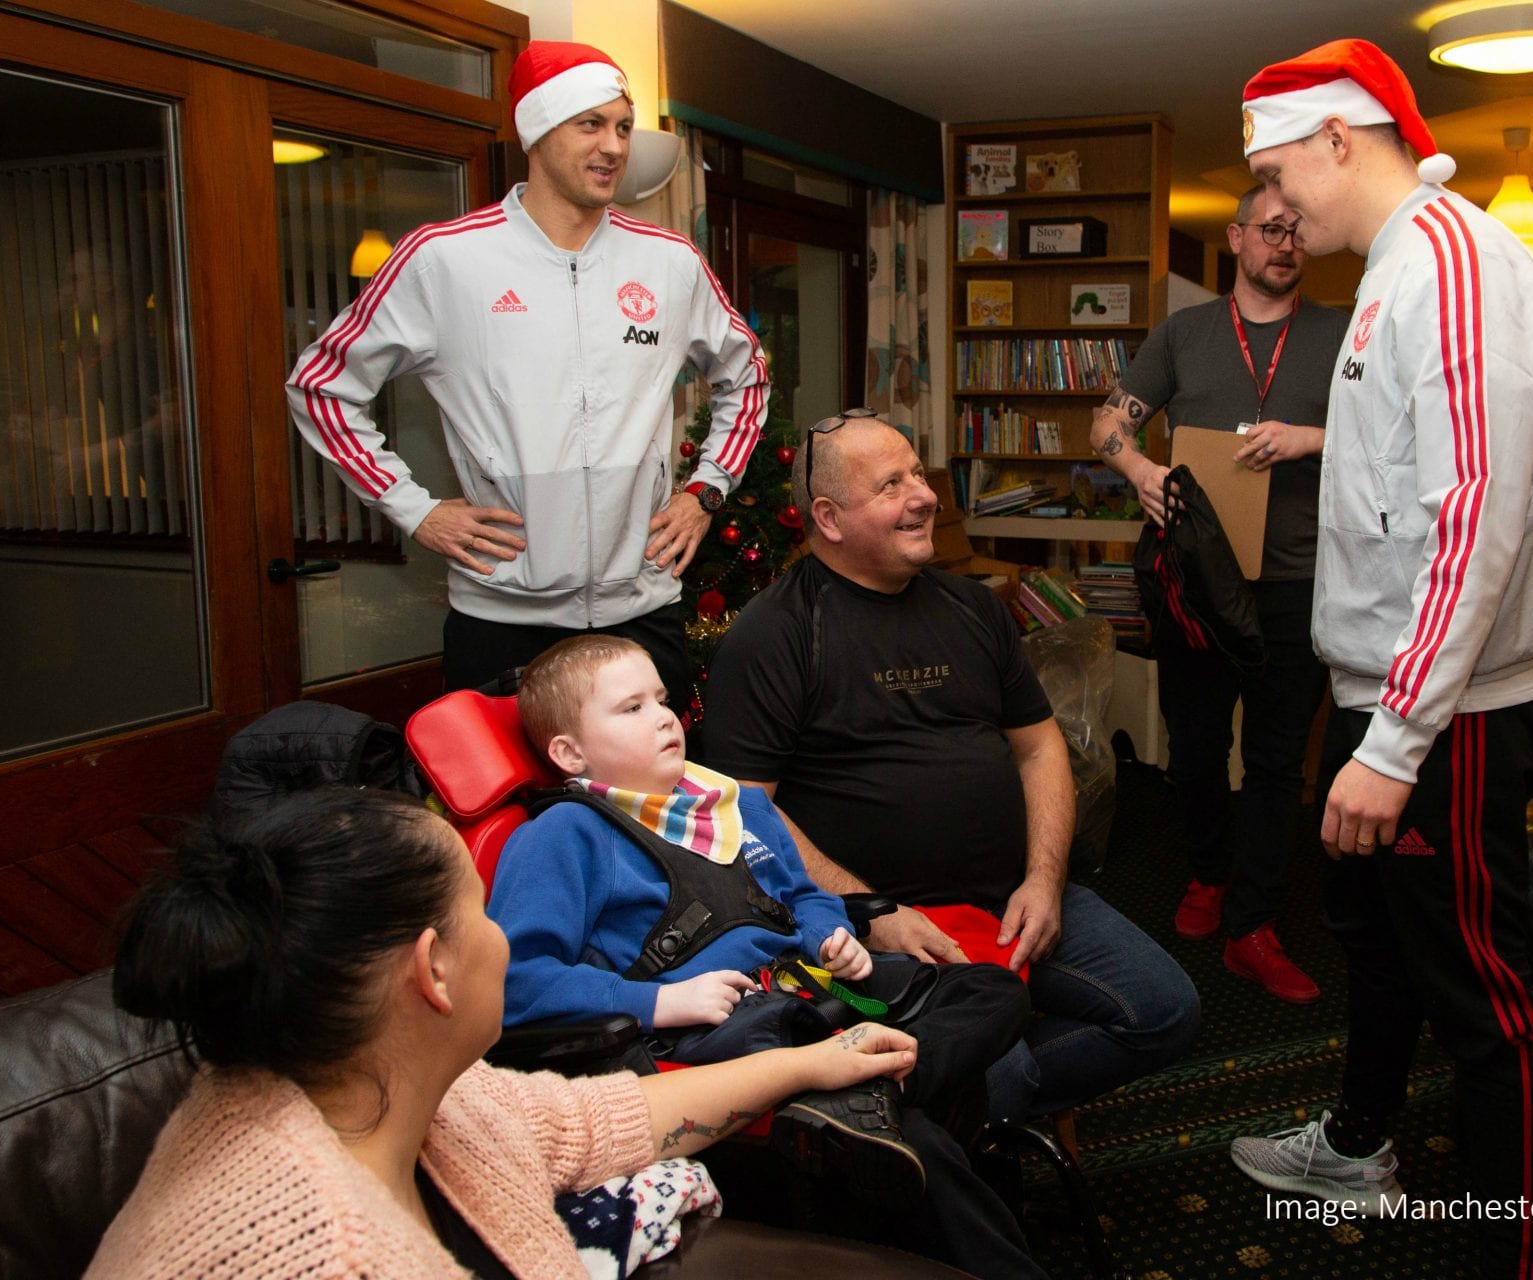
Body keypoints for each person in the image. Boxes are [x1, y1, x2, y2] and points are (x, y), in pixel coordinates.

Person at [1225, 41, 1533, 1280]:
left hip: (1448, 714)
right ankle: (1363, 1140)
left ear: (1335, 138)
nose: (1272, 205)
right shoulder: (1392, 268)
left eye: (1276, 171)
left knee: (1485, 1000)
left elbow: (1476, 511)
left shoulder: (1456, 260)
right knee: (1377, 941)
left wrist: (1399, 740)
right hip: (1391, 695)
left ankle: (1517, 1259)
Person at [88, 787, 919, 1280]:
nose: (504, 940)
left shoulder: (377, 1086)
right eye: (484, 913)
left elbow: (603, 1119)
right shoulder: (330, 1254)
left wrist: (815, 1060)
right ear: (432, 971)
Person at [489, 633, 1045, 1278]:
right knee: (920, 1146)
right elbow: (515, 981)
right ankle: (873, 1108)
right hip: (719, 1029)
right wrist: (658, 1001)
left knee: (994, 991)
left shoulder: (736, 805)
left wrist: (826, 936)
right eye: (631, 708)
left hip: (806, 989)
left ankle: (875, 1094)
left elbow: (804, 897)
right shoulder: (564, 834)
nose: (665, 717)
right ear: (569, 752)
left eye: (664, 700)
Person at [700, 413, 1201, 1122]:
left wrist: (1043, 879)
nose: (927, 495)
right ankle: (972, 1105)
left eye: (919, 474)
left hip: (1009, 901)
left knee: (1166, 1011)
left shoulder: (972, 608)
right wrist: (873, 914)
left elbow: (1039, 744)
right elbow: (746, 806)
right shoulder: (774, 635)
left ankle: (968, 1106)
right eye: (892, 484)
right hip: (877, 934)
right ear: (829, 518)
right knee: (998, 1073)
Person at [286, 41, 767, 710]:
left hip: (641, 610)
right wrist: (415, 510)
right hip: (502, 622)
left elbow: (747, 375)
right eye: (590, 124)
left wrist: (706, 491)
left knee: (648, 807)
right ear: (538, 132)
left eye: (623, 126)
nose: (614, 146)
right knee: (506, 814)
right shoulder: (444, 260)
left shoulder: (669, 262)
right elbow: (321, 385)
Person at [1088, 185, 1345, 1002]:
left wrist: (1312, 438)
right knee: (1195, 748)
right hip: (1192, 580)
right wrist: (1139, 471)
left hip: (1297, 583)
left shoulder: (1339, 334)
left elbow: (1398, 438)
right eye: (1271, 229)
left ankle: (1255, 923)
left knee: (1274, 762)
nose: (1286, 243)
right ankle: (1207, 872)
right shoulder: (1183, 334)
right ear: (1236, 238)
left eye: (1298, 231)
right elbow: (1107, 426)